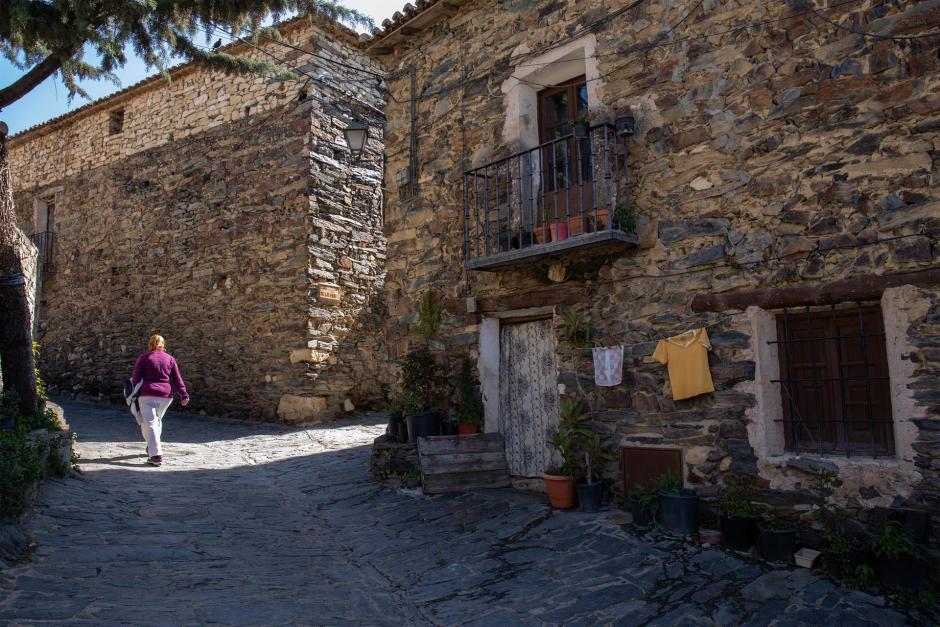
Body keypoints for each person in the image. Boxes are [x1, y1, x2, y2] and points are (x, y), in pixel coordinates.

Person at [131, 334, 190, 466]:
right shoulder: (170, 359)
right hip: (165, 395)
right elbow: (177, 379)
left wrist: (134, 390)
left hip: (147, 394)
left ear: (150, 344)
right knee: (156, 421)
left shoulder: (144, 358)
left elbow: (136, 378)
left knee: (150, 422)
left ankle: (156, 455)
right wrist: (184, 394)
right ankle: (151, 447)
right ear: (163, 344)